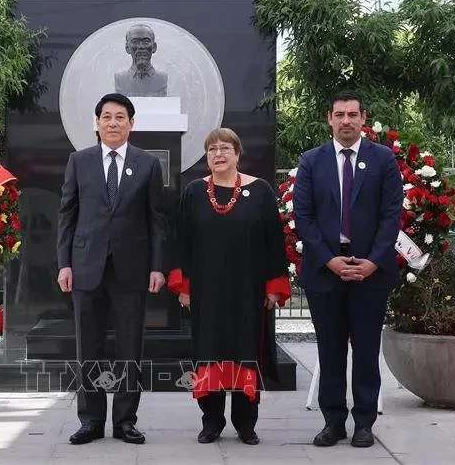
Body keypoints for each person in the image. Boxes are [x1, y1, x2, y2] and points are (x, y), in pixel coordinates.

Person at [293, 91, 403, 448]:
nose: (346, 121)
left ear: (363, 118)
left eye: (352, 114)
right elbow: (304, 217)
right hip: (326, 269)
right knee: (330, 349)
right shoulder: (312, 161)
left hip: (371, 269)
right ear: (329, 118)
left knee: (367, 350)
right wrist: (329, 259)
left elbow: (391, 216)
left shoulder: (383, 160)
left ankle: (364, 423)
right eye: (339, 114)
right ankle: (333, 421)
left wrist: (372, 261)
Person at [56, 93, 167, 445]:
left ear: (132, 124)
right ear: (97, 123)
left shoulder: (147, 164)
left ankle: (125, 421)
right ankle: (90, 420)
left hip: (131, 270)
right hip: (86, 267)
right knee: (87, 346)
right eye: (107, 117)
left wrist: (157, 267)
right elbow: (67, 216)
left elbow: (157, 222)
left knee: (129, 348)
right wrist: (64, 264)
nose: (113, 123)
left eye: (121, 117)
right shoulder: (79, 161)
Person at [168, 128, 291, 445]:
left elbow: (273, 242)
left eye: (225, 148)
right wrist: (183, 287)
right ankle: (211, 421)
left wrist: (274, 285)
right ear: (206, 157)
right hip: (206, 291)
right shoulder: (194, 192)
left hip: (248, 291)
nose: (218, 154)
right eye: (212, 149)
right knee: (209, 351)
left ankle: (245, 423)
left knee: (245, 350)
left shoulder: (260, 190)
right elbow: (181, 242)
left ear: (238, 153)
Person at [114, 24, 168, 97]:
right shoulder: (120, 79)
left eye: (146, 41)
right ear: (127, 48)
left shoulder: (163, 78)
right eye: (135, 42)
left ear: (154, 47)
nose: (141, 47)